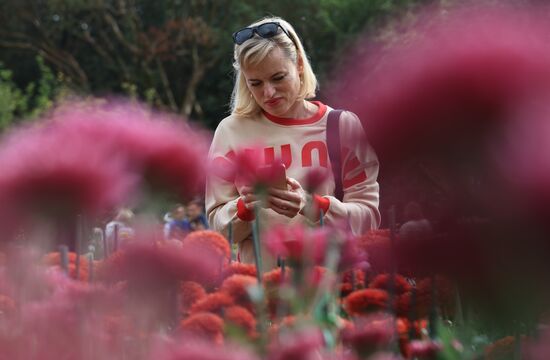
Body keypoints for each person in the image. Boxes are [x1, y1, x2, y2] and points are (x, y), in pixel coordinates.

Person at [206, 17, 380, 270]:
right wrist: (245, 207)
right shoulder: (231, 131)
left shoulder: (342, 126)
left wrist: (314, 206)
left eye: (278, 78)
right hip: (264, 299)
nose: (268, 93)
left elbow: (369, 222)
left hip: (334, 292)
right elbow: (218, 232)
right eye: (255, 83)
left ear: (298, 63)